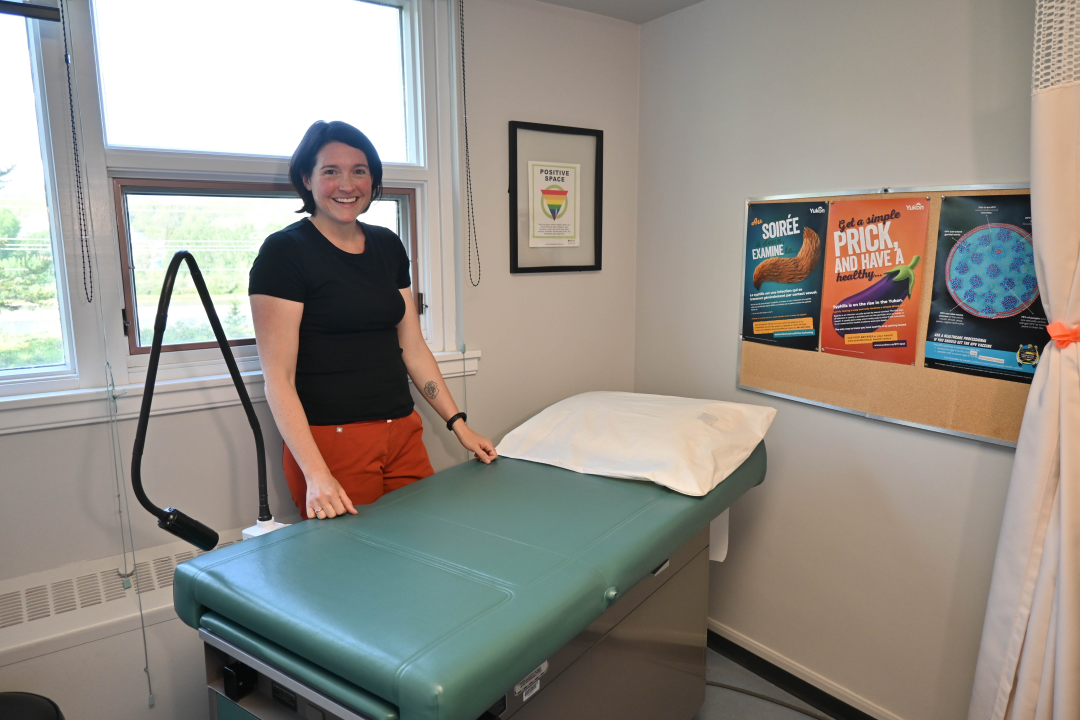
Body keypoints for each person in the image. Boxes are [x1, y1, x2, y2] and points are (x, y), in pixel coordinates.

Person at [249, 120, 496, 522]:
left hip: (401, 432)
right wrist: (316, 474)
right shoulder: (284, 253)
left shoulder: (387, 245)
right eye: (331, 171)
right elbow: (279, 379)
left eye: (359, 171)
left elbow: (412, 348)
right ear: (307, 180)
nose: (347, 184)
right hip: (332, 441)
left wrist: (459, 425)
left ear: (373, 179)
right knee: (353, 571)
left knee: (422, 547)